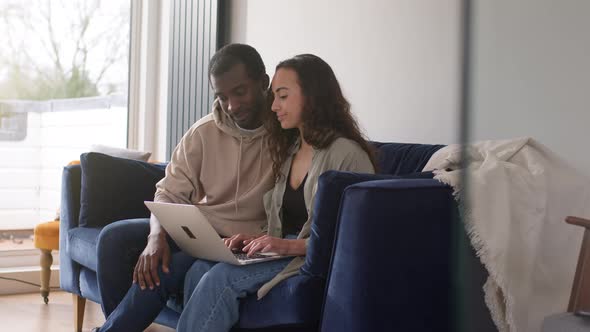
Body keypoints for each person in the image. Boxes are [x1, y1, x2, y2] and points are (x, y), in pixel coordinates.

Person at [175, 54, 378, 332]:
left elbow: (357, 240)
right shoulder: (290, 149)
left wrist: (288, 246)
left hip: (309, 257)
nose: (273, 106)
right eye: (274, 97)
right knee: (198, 270)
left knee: (220, 279)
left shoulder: (347, 155)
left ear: (312, 95)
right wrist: (255, 240)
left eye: (282, 96)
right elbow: (284, 225)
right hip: (283, 251)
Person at [93, 43, 275, 332]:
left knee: (165, 269)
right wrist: (156, 237)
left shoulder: (286, 133)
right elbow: (168, 192)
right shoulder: (204, 131)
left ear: (264, 83)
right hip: (200, 232)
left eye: (240, 92)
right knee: (114, 238)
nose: (232, 106)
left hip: (242, 242)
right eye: (222, 96)